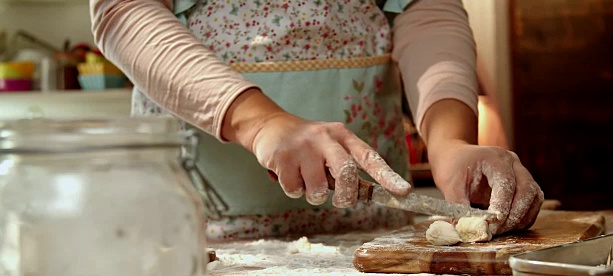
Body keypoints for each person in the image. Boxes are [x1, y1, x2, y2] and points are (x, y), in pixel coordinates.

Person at [89, 0, 544, 241]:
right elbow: (125, 10)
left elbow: (425, 10)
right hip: (196, 241)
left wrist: (451, 142)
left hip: (368, 237)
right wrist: (259, 121)